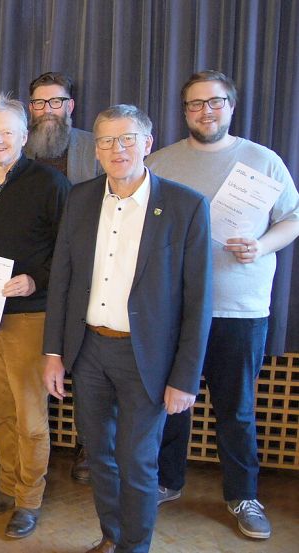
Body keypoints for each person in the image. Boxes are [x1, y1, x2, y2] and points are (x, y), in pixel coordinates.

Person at [43, 105, 212, 553]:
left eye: (127, 139)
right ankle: (111, 536)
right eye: (106, 141)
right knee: (98, 455)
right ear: (95, 149)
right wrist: (53, 353)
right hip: (90, 351)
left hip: (148, 358)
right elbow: (62, 278)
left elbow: (199, 301)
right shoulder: (79, 199)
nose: (117, 149)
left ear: (147, 143)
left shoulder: (185, 206)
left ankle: (135, 546)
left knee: (136, 461)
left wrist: (184, 378)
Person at [147, 70, 299, 540]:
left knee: (235, 408)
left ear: (231, 106)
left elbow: (293, 218)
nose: (205, 111)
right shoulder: (161, 162)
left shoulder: (263, 160)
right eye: (195, 104)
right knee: (172, 403)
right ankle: (168, 481)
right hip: (175, 310)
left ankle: (243, 495)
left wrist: (263, 244)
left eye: (214, 102)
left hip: (240, 308)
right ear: (184, 111)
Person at [0, 94, 68, 539]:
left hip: (30, 316)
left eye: (7, 132)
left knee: (29, 416)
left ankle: (29, 499)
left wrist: (33, 281)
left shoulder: (50, 183)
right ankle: (7, 487)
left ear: (25, 136)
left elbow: (68, 255)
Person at [25, 71, 103, 186]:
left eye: (56, 102)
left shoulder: (94, 147)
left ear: (70, 107)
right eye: (39, 102)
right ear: (31, 108)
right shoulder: (17, 147)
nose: (47, 110)